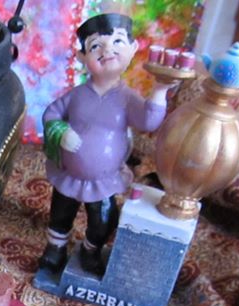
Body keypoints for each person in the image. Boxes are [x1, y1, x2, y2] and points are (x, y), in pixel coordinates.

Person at [40, 13, 174, 274]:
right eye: (95, 46)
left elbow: (148, 121)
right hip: (69, 175)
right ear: (82, 57)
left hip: (104, 180)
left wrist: (160, 92)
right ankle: (55, 249)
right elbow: (51, 114)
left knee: (103, 220)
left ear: (133, 48)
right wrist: (61, 132)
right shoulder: (77, 95)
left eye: (117, 42)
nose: (107, 51)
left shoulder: (127, 98)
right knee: (60, 214)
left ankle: (90, 250)